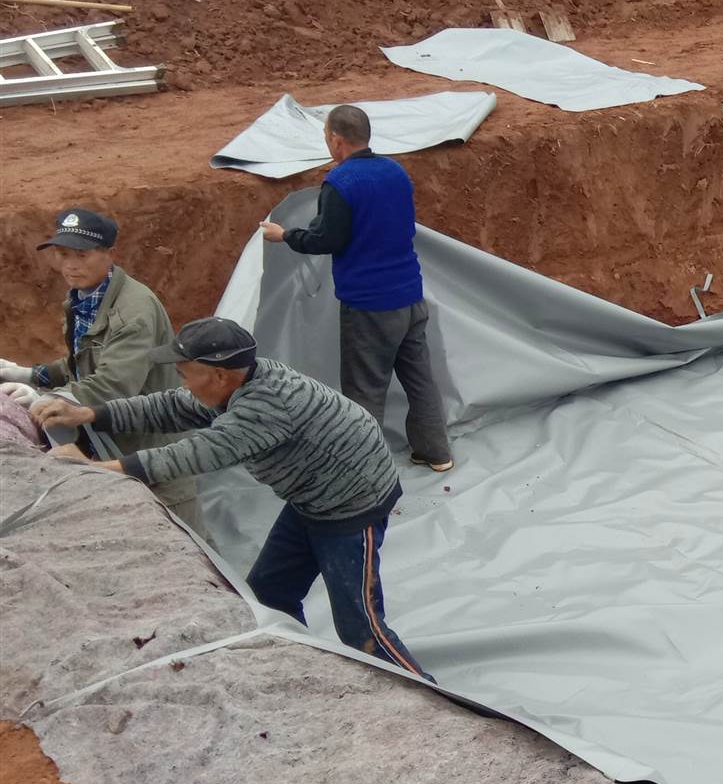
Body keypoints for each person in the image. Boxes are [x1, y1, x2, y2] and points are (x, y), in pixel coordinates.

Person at [36, 316, 432, 681]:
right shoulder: (241, 382)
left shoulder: (265, 408)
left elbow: (191, 455)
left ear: (219, 374)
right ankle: (301, 672)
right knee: (268, 598)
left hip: (351, 505)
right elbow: (174, 407)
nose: (183, 382)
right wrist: (88, 414)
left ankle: (435, 703)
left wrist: (92, 467)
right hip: (311, 499)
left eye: (185, 373)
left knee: (361, 629)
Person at [257, 104, 453, 472]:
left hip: (369, 305)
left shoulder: (341, 184)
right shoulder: (395, 171)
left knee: (365, 390)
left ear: (336, 139)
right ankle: (437, 452)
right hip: (410, 295)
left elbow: (325, 238)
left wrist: (283, 235)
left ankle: (365, 469)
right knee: (420, 379)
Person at [0, 206, 201, 528]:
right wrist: (29, 374)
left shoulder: (133, 311)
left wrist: (44, 401)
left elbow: (114, 385)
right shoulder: (86, 297)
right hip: (108, 446)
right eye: (63, 254)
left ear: (109, 253)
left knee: (185, 549)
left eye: (81, 254)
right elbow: (83, 362)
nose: (70, 265)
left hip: (149, 457)